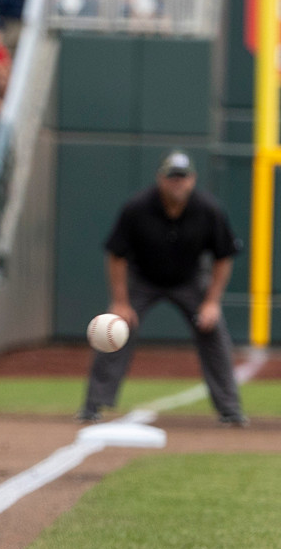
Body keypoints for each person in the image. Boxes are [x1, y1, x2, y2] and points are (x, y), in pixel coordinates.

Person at [79, 152, 246, 427]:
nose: (177, 183)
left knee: (213, 332)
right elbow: (116, 254)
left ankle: (230, 409)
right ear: (160, 179)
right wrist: (120, 301)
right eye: (172, 178)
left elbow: (223, 257)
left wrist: (212, 302)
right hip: (143, 278)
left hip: (189, 280)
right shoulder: (137, 207)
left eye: (183, 178)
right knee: (113, 328)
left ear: (193, 180)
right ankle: (92, 405)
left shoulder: (208, 209)